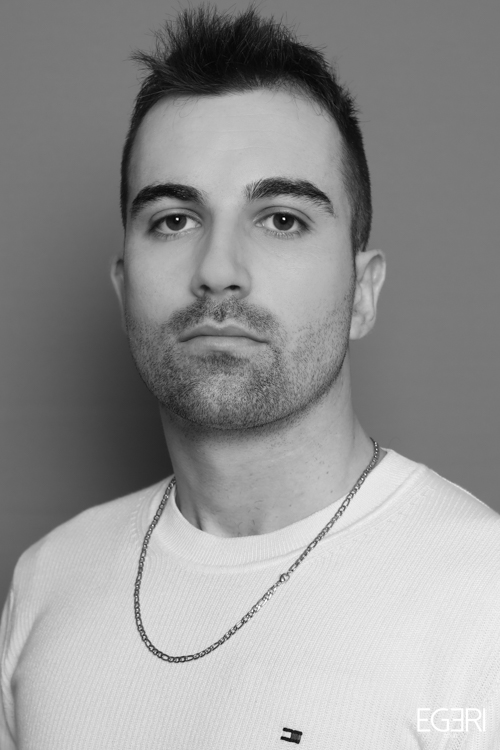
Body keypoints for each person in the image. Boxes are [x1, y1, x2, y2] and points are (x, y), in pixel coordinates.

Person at [1, 5, 499, 748]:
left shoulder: (481, 602)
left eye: (282, 219)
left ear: (362, 293)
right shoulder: (48, 581)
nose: (217, 270)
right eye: (173, 219)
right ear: (124, 287)